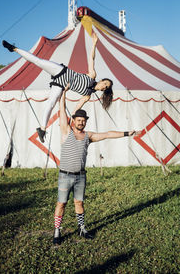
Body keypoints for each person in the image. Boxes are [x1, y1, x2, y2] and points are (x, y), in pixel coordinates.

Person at [53, 85, 141, 245]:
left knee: (79, 202)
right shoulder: (66, 132)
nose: (81, 123)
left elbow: (107, 134)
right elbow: (61, 111)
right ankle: (57, 231)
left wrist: (128, 133)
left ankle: (81, 228)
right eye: (78, 120)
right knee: (61, 203)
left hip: (80, 176)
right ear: (73, 121)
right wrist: (63, 94)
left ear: (85, 122)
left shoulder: (89, 136)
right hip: (64, 175)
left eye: (83, 120)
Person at [2, 32, 113, 143]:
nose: (104, 87)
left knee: (51, 103)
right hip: (61, 71)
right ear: (102, 81)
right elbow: (91, 58)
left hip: (61, 85)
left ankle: (42, 129)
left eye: (106, 87)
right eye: (105, 84)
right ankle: (14, 48)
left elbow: (76, 108)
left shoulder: (87, 95)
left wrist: (68, 120)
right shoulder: (92, 75)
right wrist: (94, 44)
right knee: (38, 61)